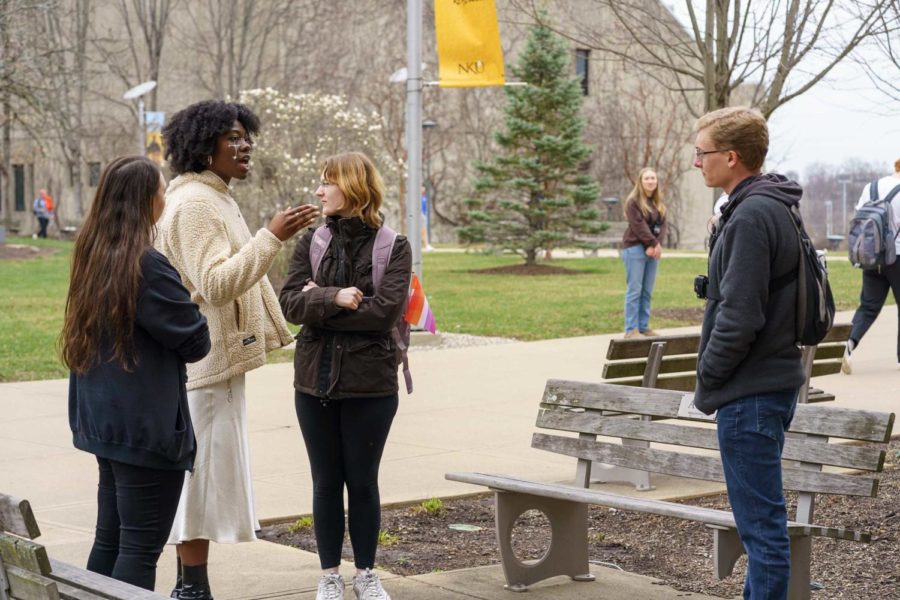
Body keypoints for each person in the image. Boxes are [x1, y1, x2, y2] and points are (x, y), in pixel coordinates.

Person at [156, 100, 319, 600]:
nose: (245, 145)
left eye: (246, 135)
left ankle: (192, 586)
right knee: (199, 480)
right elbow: (215, 282)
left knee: (207, 478)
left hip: (219, 363)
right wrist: (272, 236)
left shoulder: (214, 196)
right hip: (205, 367)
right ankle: (191, 590)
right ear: (203, 147)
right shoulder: (196, 205)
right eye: (233, 137)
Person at [61, 156, 211, 591]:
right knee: (140, 549)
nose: (166, 197)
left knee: (110, 540)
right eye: (162, 190)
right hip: (143, 430)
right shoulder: (146, 265)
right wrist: (190, 300)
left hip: (105, 424)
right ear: (147, 201)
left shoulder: (93, 255)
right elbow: (196, 342)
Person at [279, 152, 411, 600]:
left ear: (353, 188)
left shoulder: (394, 246)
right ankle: (330, 575)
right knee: (325, 481)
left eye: (326, 183)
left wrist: (321, 304)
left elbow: (383, 313)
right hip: (312, 383)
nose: (319, 191)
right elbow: (290, 304)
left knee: (363, 481)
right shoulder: (311, 242)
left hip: (370, 386)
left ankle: (367, 573)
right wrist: (337, 297)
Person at [693, 106, 805, 600]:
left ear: (731, 157)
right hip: (766, 386)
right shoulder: (770, 205)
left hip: (750, 393)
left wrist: (709, 379)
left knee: (761, 532)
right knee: (763, 529)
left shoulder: (754, 214)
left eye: (703, 153)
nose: (697, 162)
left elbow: (740, 316)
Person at [841, 157, 900, 374]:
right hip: (897, 256)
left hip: (871, 255)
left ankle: (848, 345)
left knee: (868, 305)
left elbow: (860, 215)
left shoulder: (872, 187)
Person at [621, 167, 667, 338]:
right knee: (635, 290)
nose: (650, 181)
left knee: (647, 291)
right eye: (647, 178)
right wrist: (652, 243)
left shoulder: (658, 203)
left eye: (653, 178)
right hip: (634, 249)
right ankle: (630, 330)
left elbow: (662, 226)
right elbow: (638, 225)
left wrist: (656, 245)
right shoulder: (633, 202)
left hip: (652, 250)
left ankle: (643, 326)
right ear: (640, 182)